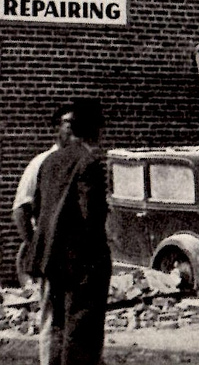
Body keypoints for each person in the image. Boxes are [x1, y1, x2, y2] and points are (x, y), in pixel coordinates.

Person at [30, 98, 111, 365]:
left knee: (58, 328)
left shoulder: (48, 162)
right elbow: (92, 217)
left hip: (51, 262)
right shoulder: (89, 163)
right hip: (81, 264)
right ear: (91, 130)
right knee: (82, 332)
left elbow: (38, 208)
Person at [12, 104, 75, 365]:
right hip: (54, 254)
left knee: (77, 320)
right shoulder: (41, 163)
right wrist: (35, 244)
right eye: (69, 124)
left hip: (78, 254)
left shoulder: (80, 162)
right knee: (53, 316)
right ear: (57, 129)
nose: (74, 131)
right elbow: (20, 209)